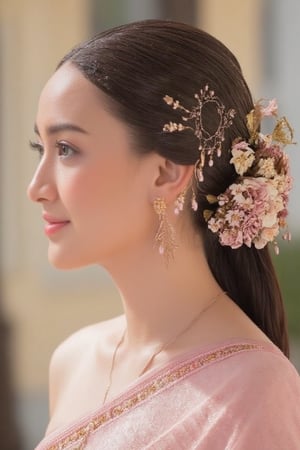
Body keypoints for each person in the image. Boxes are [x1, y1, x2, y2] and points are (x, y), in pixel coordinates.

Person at [28, 19, 300, 450]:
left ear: (165, 172)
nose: (36, 188)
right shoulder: (73, 359)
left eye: (66, 149)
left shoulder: (254, 390)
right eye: (40, 149)